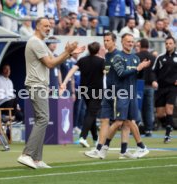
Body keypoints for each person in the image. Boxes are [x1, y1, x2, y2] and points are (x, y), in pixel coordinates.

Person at [17, 17, 85, 169]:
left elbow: (54, 59)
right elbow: (50, 64)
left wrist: (70, 53)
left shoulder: (40, 43)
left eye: (50, 26)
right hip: (36, 86)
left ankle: (36, 159)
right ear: (37, 26)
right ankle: (26, 154)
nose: (48, 28)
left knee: (42, 119)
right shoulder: (35, 42)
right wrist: (68, 52)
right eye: (45, 26)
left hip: (40, 85)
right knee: (43, 119)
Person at [85, 33, 150, 159]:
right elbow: (121, 73)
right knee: (120, 121)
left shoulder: (134, 57)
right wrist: (138, 68)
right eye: (128, 41)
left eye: (132, 41)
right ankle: (108, 149)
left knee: (126, 122)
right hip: (119, 93)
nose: (130, 43)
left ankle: (116, 150)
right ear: (121, 42)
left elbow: (137, 76)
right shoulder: (116, 56)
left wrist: (142, 68)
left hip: (129, 93)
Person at [60, 42, 105, 148]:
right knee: (91, 113)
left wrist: (64, 82)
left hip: (84, 90)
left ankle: (95, 139)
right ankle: (83, 137)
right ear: (98, 50)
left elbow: (71, 71)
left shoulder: (82, 60)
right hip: (97, 91)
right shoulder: (102, 61)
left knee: (91, 113)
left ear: (89, 50)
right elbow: (107, 72)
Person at [152, 36, 177, 143]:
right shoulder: (160, 57)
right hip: (161, 88)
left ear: (174, 44)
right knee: (160, 114)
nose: (168, 45)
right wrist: (154, 80)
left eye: (170, 43)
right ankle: (169, 126)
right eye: (166, 43)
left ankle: (167, 135)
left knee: (169, 109)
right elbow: (153, 71)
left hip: (172, 87)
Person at [136, 38, 156, 136]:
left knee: (137, 107)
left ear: (140, 46)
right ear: (148, 46)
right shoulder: (153, 57)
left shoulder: (136, 56)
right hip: (149, 85)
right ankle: (149, 129)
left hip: (138, 85)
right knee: (148, 108)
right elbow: (155, 71)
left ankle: (139, 125)